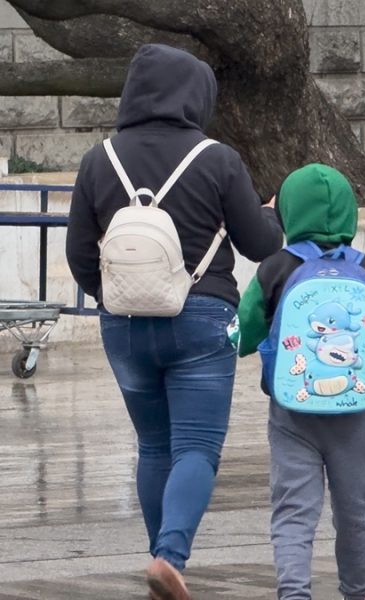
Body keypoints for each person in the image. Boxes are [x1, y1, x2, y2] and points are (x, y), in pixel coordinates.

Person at [66, 44, 283, 600]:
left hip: (124, 326)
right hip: (203, 317)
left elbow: (79, 256)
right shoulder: (217, 158)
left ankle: (159, 557)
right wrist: (271, 212)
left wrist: (113, 296)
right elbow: (261, 245)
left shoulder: (98, 160)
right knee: (196, 448)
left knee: (154, 446)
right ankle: (170, 556)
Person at [236, 163, 365, 600]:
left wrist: (238, 343)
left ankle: (294, 592)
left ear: (288, 212)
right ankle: (357, 593)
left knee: (293, 511)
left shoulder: (275, 268)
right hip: (355, 415)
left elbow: (246, 327)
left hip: (292, 410)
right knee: (354, 510)